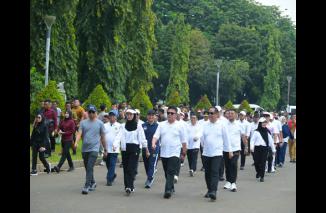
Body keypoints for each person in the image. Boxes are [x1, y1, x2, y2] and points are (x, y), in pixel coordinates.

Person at [152, 106, 187, 199]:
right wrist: (153, 143)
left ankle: (167, 191)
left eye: (172, 113)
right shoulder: (161, 125)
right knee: (166, 172)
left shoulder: (180, 126)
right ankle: (171, 186)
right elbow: (156, 136)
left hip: (175, 152)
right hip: (164, 152)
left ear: (176, 115)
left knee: (171, 171)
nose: (170, 115)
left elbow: (184, 140)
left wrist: (184, 152)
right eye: (168, 113)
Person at [74, 105, 107, 195]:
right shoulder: (83, 123)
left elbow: (103, 137)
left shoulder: (100, 123)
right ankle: (93, 182)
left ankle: (86, 186)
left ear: (96, 113)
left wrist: (105, 149)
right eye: (90, 112)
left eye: (93, 112)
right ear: (87, 113)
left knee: (89, 166)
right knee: (87, 167)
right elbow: (79, 133)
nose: (91, 114)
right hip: (85, 149)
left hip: (94, 149)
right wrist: (76, 142)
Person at [201, 107, 232, 201]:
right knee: (207, 173)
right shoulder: (205, 125)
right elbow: (202, 138)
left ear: (217, 114)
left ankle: (213, 191)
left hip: (217, 152)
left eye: (212, 113)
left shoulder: (222, 125)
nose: (210, 115)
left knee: (215, 172)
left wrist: (229, 150)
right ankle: (209, 189)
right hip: (206, 152)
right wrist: (204, 146)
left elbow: (226, 139)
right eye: (209, 113)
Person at [115, 109, 148, 195]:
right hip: (125, 148)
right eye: (127, 114)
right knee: (126, 168)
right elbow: (119, 136)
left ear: (134, 116)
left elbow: (142, 137)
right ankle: (128, 186)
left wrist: (146, 148)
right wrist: (115, 144)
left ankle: (129, 186)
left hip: (135, 148)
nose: (129, 116)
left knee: (131, 167)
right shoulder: (123, 126)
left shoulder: (138, 126)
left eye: (131, 114)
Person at [223, 109, 247, 192]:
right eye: (229, 113)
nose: (230, 115)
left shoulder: (239, 125)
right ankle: (228, 181)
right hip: (225, 148)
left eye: (232, 113)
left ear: (236, 115)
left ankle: (233, 182)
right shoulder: (224, 124)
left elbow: (243, 136)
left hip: (236, 148)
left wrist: (246, 147)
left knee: (233, 164)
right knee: (227, 165)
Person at [250, 117, 276, 182]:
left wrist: (273, 150)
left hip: (264, 149)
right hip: (257, 148)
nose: (264, 124)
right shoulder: (256, 132)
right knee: (256, 162)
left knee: (263, 162)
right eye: (263, 123)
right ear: (260, 124)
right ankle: (258, 172)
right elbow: (252, 140)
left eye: (265, 123)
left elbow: (271, 141)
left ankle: (262, 176)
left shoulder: (267, 132)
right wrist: (251, 147)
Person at [142, 109, 159, 188]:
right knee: (147, 165)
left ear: (155, 116)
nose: (151, 117)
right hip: (145, 148)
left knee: (152, 164)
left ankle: (149, 179)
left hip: (154, 148)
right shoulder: (143, 125)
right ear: (147, 116)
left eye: (152, 115)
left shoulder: (158, 126)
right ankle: (149, 175)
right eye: (149, 115)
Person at [103, 111, 121, 186]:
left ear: (116, 117)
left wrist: (115, 144)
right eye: (110, 116)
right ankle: (113, 174)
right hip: (106, 148)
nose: (111, 117)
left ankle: (109, 179)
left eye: (113, 116)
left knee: (112, 164)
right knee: (107, 163)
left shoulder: (119, 125)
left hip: (114, 148)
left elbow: (119, 137)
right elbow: (102, 136)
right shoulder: (104, 125)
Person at [186, 112, 203, 177]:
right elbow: (185, 134)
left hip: (195, 144)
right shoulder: (187, 125)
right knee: (190, 158)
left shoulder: (199, 126)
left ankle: (193, 169)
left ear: (196, 119)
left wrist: (197, 137)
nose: (193, 119)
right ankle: (191, 169)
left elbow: (200, 133)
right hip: (188, 145)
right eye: (192, 118)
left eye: (194, 118)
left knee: (194, 157)